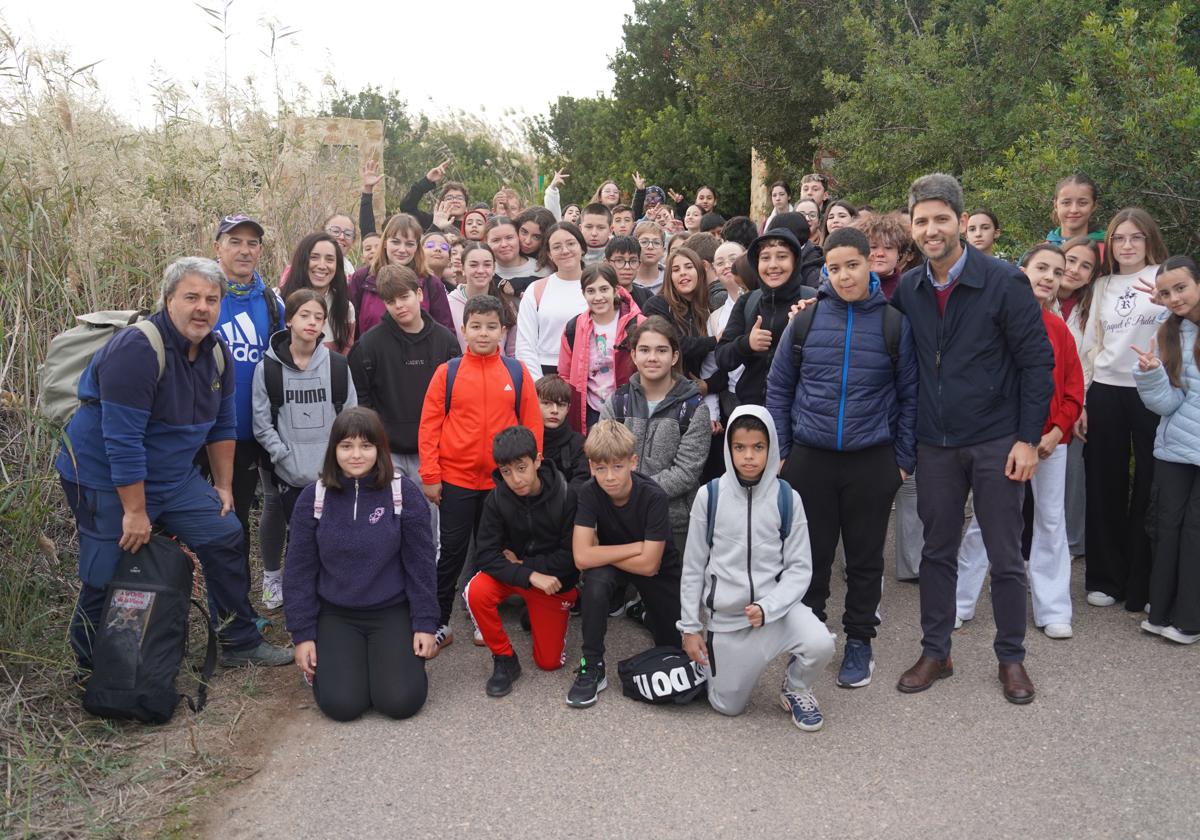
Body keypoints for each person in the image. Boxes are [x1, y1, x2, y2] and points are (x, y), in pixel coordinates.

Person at [58, 257, 291, 670]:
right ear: (169, 301)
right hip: (104, 477)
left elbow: (222, 425)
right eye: (191, 297)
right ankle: (91, 665)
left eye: (211, 299)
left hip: (171, 477)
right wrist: (135, 511)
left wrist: (222, 486)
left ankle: (237, 638)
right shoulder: (136, 350)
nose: (202, 307)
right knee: (108, 564)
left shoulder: (216, 352)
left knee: (223, 532)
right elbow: (122, 440)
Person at [887, 174, 1053, 705]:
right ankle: (937, 650)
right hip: (935, 444)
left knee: (1005, 555)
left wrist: (1028, 439)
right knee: (938, 552)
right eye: (921, 221)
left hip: (997, 440)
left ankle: (1011, 658)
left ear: (961, 222)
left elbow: (1037, 364)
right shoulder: (911, 288)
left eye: (940, 219)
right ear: (912, 228)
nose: (931, 229)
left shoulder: (1004, 282)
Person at [766, 227, 917, 688]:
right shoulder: (807, 320)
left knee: (866, 558)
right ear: (825, 270)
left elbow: (910, 397)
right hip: (811, 458)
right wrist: (784, 452)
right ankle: (810, 640)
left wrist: (902, 461)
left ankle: (858, 641)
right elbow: (779, 387)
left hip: (872, 460)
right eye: (834, 268)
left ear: (870, 262)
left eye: (853, 265)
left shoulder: (894, 323)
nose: (844, 275)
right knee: (810, 557)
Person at [956, 244, 1084, 640]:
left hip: (1051, 443)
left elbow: (1072, 389)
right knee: (987, 520)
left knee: (1050, 520)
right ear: (1021, 271)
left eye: (1057, 272)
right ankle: (959, 601)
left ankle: (1053, 607)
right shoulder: (995, 321)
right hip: (1004, 441)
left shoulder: (1059, 329)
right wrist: (1016, 436)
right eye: (1041, 267)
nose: (1049, 277)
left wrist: (1056, 432)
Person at [678, 407, 835, 729]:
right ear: (729, 449)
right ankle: (717, 667)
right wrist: (691, 628)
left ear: (771, 447)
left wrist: (770, 605)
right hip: (730, 621)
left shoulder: (787, 498)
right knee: (727, 707)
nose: (749, 456)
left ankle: (796, 687)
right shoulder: (710, 496)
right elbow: (693, 566)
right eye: (740, 447)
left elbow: (799, 568)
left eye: (758, 447)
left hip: (778, 613)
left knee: (821, 643)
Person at [283, 407, 438, 721]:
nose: (356, 455)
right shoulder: (314, 498)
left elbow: (420, 564)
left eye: (366, 446)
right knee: (342, 705)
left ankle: (387, 665)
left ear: (380, 449)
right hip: (337, 613)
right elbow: (299, 571)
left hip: (391, 609)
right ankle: (349, 667)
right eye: (346, 446)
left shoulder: (402, 492)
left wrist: (425, 624)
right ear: (334, 450)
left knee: (400, 701)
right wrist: (303, 635)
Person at [419, 295, 543, 650]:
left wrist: (530, 472)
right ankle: (439, 620)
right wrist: (431, 474)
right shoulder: (449, 372)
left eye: (492, 327)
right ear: (464, 329)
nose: (484, 334)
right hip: (456, 480)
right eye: (476, 326)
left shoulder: (517, 373)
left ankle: (481, 615)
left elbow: (532, 425)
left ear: (504, 331)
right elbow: (429, 425)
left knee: (491, 551)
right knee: (453, 552)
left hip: (499, 483)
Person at [1076, 208, 1168, 611]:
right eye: (1118, 238)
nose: (1127, 245)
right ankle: (1105, 578)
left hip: (1155, 391)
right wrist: (1080, 399)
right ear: (1109, 245)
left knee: (1151, 486)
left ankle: (1144, 583)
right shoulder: (1102, 286)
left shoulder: (1167, 277)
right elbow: (1088, 346)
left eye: (1136, 237)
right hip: (1107, 390)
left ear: (1150, 240)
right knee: (1104, 484)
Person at [252, 289, 358, 607]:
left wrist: (337, 462)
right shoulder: (268, 369)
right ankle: (296, 598)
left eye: (318, 317)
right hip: (289, 474)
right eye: (304, 315)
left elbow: (350, 417)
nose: (312, 323)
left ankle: (332, 594)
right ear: (289, 321)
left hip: (330, 473)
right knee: (296, 540)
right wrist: (283, 457)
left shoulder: (337, 367)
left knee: (333, 536)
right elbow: (262, 423)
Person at [567, 420, 683, 708]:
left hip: (659, 571)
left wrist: (602, 551)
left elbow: (650, 566)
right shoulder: (589, 492)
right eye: (601, 468)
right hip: (620, 561)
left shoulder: (653, 496)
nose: (609, 477)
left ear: (632, 462)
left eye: (617, 467)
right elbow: (581, 557)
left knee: (672, 648)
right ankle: (592, 665)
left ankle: (642, 612)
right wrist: (634, 547)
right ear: (591, 466)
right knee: (595, 583)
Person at [465, 426, 580, 695]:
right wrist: (529, 575)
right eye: (506, 472)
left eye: (521, 467)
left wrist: (524, 566)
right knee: (476, 590)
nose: (515, 479)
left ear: (537, 460)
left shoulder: (566, 495)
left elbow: (570, 558)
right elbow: (486, 555)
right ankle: (504, 659)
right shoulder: (496, 499)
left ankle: (537, 612)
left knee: (549, 663)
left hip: (552, 583)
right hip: (523, 577)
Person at [209, 214, 285, 596]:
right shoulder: (204, 294)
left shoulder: (272, 301)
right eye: (234, 241)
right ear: (217, 247)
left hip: (245, 434)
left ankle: (233, 609)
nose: (244, 249)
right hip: (198, 433)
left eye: (252, 243)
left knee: (235, 522)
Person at [1133, 256, 1200, 644]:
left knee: (1195, 531)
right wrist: (1151, 375)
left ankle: (1189, 620)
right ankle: (1161, 611)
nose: (1173, 298)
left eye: (1180, 288)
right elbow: (1167, 404)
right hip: (1174, 449)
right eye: (1165, 292)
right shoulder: (1169, 333)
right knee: (1167, 528)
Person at [601, 317, 710, 551]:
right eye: (644, 350)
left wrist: (632, 490)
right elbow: (603, 457)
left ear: (674, 356)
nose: (652, 358)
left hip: (673, 523)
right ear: (633, 356)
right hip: (620, 519)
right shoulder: (617, 403)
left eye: (661, 350)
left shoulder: (693, 408)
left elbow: (686, 472)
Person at [854, 212, 922, 580]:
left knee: (910, 485)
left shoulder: (911, 289)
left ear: (903, 253)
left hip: (907, 391)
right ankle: (864, 564)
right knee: (867, 493)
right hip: (868, 398)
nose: (879, 253)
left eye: (888, 247)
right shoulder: (849, 287)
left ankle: (913, 564)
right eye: (873, 247)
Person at [348, 265, 460, 485]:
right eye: (390, 301)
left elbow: (457, 396)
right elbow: (359, 399)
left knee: (428, 518)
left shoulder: (445, 340)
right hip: (387, 452)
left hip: (434, 451)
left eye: (404, 297)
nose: (399, 306)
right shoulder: (369, 345)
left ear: (419, 294)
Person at [715, 227, 817, 407]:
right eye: (765, 258)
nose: (773, 265)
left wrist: (801, 328)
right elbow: (722, 357)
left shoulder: (811, 302)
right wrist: (747, 343)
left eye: (782, 256)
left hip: (798, 411)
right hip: (753, 410)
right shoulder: (748, 301)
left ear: (795, 261)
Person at [1058, 236, 1103, 558]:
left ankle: (1071, 544)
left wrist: (1081, 403)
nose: (1075, 270)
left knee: (1072, 474)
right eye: (1071, 260)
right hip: (1030, 402)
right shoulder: (1034, 295)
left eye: (1085, 265)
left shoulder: (1091, 307)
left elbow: (1090, 358)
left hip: (1073, 401)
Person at [559, 263, 643, 432]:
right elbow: (565, 374)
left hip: (629, 406)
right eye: (591, 291)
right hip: (590, 410)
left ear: (616, 290)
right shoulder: (574, 327)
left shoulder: (638, 324)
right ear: (583, 294)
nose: (598, 297)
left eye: (604, 289)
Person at [349, 213, 454, 338]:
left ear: (417, 247)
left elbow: (446, 334)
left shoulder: (431, 283)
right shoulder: (362, 278)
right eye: (396, 242)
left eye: (409, 244)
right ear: (385, 243)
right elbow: (350, 330)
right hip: (372, 355)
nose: (402, 249)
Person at [514, 222, 589, 380]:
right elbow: (525, 345)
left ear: (582, 248)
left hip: (590, 370)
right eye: (556, 247)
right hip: (546, 372)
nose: (565, 251)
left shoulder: (599, 287)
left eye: (571, 244)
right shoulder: (536, 290)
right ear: (549, 254)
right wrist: (538, 385)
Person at [644, 248, 719, 396]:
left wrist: (708, 386)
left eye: (689, 267)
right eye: (676, 269)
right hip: (667, 394)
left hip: (705, 396)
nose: (683, 272)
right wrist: (715, 341)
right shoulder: (657, 305)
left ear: (700, 270)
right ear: (669, 277)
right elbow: (674, 343)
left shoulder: (710, 308)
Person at [282, 232, 355, 354]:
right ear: (302, 260)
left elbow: (344, 358)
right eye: (314, 257)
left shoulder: (345, 308)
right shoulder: (279, 301)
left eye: (329, 259)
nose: (322, 266)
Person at [448, 242, 517, 354]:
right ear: (463, 268)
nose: (480, 271)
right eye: (473, 265)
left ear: (494, 268)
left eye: (487, 265)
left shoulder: (506, 306)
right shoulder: (448, 305)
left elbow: (513, 352)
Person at [536, 375, 590, 486]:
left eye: (561, 405)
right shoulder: (524, 440)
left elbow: (582, 480)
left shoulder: (579, 443)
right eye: (547, 403)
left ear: (568, 409)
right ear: (534, 402)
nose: (554, 411)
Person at [1045, 173, 1105, 248]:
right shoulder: (1040, 253)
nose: (1074, 210)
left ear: (1093, 206)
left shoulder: (1109, 250)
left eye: (1082, 203)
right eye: (1066, 203)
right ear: (1055, 205)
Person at [485, 215, 540, 295]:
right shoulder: (483, 272)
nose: (504, 244)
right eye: (496, 240)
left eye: (509, 238)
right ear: (486, 243)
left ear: (518, 238)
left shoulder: (541, 269)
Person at [605, 235, 654, 310]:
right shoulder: (600, 297)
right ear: (607, 263)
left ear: (639, 264)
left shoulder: (647, 296)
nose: (627, 267)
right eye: (619, 261)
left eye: (633, 261)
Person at [633, 221, 666, 294]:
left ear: (663, 250)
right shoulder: (626, 277)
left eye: (656, 243)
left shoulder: (671, 278)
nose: (650, 247)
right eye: (644, 242)